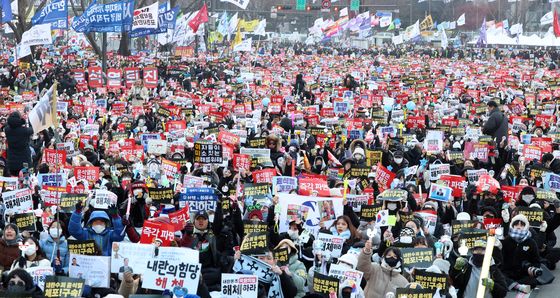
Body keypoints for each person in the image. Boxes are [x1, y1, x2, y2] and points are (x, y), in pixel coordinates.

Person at [3, 111, 33, 176]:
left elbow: (10, 124)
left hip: (12, 161)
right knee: (25, 181)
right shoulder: (25, 131)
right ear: (19, 119)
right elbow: (32, 129)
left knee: (14, 181)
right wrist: (27, 119)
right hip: (25, 161)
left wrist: (20, 120)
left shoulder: (7, 130)